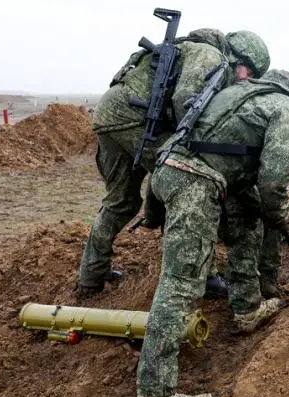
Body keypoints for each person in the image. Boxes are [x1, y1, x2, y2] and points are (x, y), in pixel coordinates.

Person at [134, 68, 289, 397]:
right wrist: (288, 219)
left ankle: (246, 308)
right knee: (180, 285)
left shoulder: (245, 93)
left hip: (174, 171)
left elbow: (240, 170)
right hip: (194, 183)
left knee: (247, 220)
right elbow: (272, 184)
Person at [76, 29, 270, 298]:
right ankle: (205, 275)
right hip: (135, 120)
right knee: (189, 183)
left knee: (121, 201)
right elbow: (184, 100)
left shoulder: (193, 49)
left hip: (111, 117)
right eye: (248, 71)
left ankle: (91, 276)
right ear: (238, 57)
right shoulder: (210, 55)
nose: (245, 79)